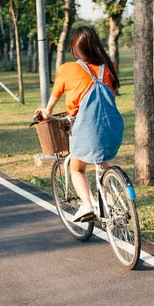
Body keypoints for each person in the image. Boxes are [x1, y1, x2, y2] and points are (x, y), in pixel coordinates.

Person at [33, 26, 123, 222]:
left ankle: (88, 205)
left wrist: (45, 112)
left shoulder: (67, 69)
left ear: (75, 48)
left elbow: (53, 100)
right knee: (103, 164)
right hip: (113, 127)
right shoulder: (110, 67)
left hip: (87, 127)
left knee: (77, 168)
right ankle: (112, 207)